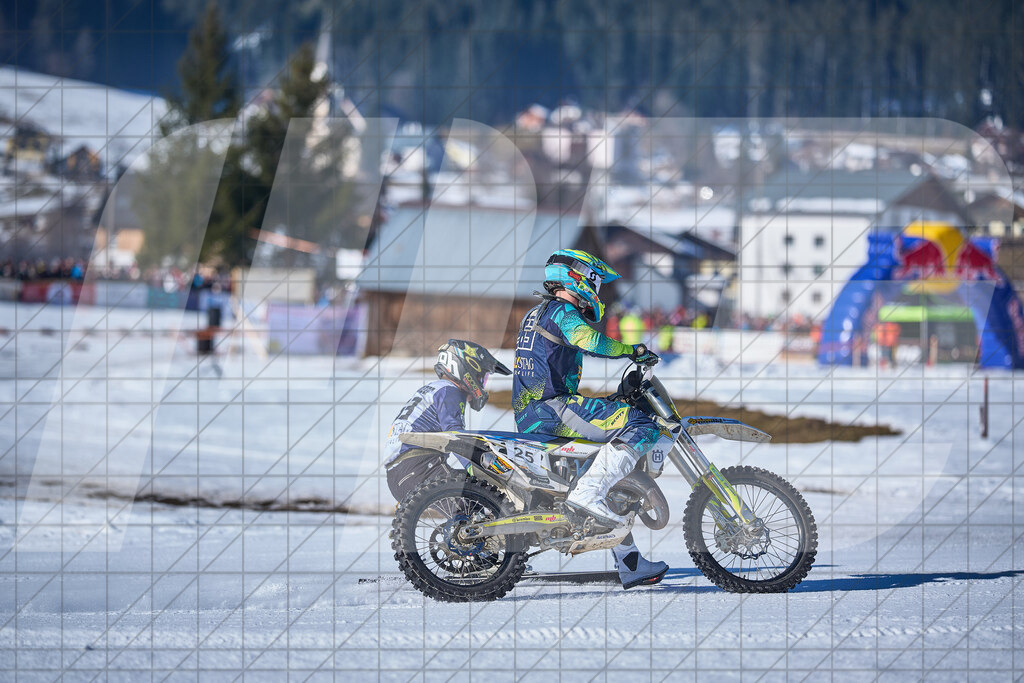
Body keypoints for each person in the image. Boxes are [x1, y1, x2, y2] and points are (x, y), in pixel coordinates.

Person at [513, 248, 668, 589]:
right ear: (578, 278)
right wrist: (631, 350)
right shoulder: (563, 312)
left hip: (536, 411)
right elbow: (588, 339)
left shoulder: (538, 312)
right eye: (596, 282)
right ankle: (587, 495)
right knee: (641, 424)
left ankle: (631, 563)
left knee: (604, 467)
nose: (598, 292)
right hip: (553, 408)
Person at [384, 339, 512, 500]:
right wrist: (479, 469)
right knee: (479, 500)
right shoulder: (450, 391)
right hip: (419, 466)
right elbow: (456, 436)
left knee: (468, 509)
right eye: (482, 377)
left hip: (399, 473)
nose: (482, 384)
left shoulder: (435, 389)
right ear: (468, 369)